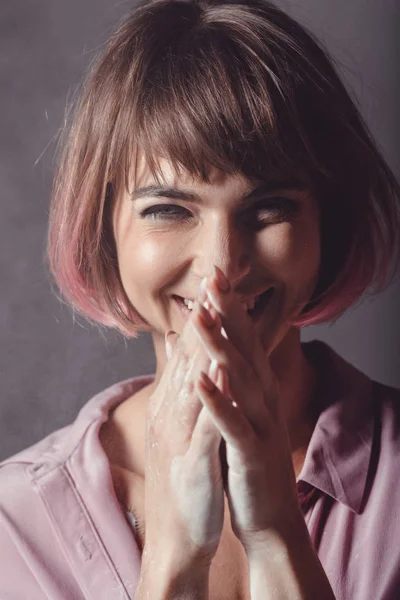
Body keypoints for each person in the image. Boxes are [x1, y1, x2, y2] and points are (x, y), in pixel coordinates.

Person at [1, 0, 399, 598]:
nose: (222, 267)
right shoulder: (17, 523)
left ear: (326, 223)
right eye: (168, 210)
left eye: (270, 209)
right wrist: (172, 562)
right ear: (104, 225)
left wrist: (275, 537)